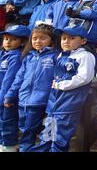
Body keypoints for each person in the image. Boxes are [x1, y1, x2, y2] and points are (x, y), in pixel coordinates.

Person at [34, 25, 95, 152]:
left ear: (83, 41)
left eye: (72, 38)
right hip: (53, 102)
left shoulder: (85, 56)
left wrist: (62, 85)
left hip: (68, 103)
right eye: (64, 38)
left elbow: (85, 78)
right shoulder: (60, 55)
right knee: (47, 133)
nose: (66, 41)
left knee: (60, 137)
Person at [4, 23, 58, 152]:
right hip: (23, 101)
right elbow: (18, 79)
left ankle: (26, 149)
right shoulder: (28, 57)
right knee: (24, 128)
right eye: (34, 38)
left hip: (40, 102)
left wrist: (52, 101)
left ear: (51, 40)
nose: (38, 41)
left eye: (42, 38)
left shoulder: (55, 57)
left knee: (30, 131)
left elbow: (57, 80)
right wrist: (10, 95)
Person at [0, 25, 30, 152]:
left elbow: (10, 80)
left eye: (13, 39)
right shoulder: (3, 54)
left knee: (7, 123)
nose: (8, 42)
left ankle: (9, 147)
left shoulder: (17, 56)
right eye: (6, 38)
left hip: (8, 98)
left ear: (22, 42)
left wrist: (5, 97)